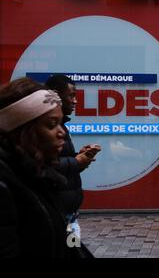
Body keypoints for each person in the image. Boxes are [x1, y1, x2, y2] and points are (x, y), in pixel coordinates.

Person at [0, 77, 90, 257]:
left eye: (60, 123)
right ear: (24, 131)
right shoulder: (5, 189)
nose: (62, 133)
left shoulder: (38, 176)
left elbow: (66, 242)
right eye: (51, 124)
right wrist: (76, 162)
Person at [45, 74, 101, 240]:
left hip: (69, 213)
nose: (75, 101)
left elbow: (59, 160)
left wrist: (79, 158)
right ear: (56, 95)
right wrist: (76, 162)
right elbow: (43, 166)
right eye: (71, 95)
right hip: (57, 212)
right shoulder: (43, 128)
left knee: (73, 250)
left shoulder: (60, 125)